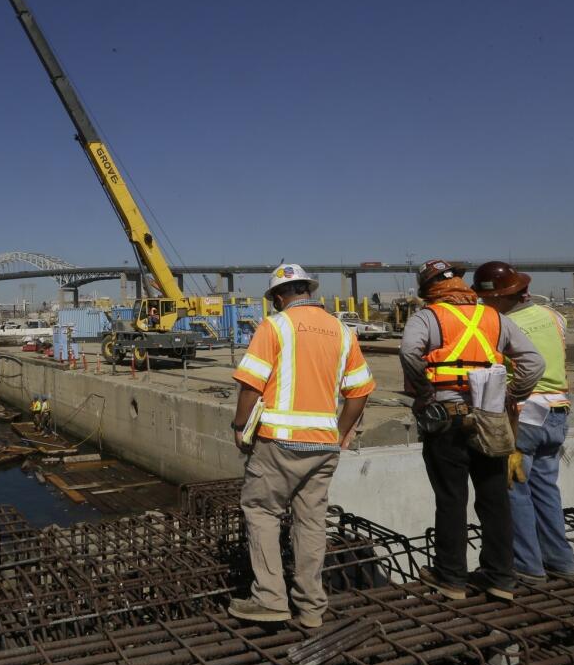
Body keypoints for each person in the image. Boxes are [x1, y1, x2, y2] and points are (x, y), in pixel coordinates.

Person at [229, 264, 375, 628]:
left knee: (261, 511)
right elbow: (359, 392)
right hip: (323, 446)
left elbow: (251, 384)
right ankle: (311, 608)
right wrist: (338, 433)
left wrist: (240, 426)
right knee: (310, 523)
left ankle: (270, 599)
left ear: (279, 297)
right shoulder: (342, 330)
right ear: (308, 291)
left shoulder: (274, 326)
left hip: (278, 442)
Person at [400, 259, 544, 601]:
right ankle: (500, 578)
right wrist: (512, 395)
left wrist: (424, 392)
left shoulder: (428, 316)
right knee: (494, 499)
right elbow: (534, 362)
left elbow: (409, 351)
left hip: (446, 417)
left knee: (451, 498)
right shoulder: (493, 317)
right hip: (490, 417)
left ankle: (451, 578)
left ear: (428, 290)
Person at [471, 261, 574, 583]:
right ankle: (561, 562)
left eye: (487, 299)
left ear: (502, 298)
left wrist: (511, 396)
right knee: (546, 490)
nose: (484, 304)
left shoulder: (501, 324)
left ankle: (527, 566)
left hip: (524, 415)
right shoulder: (555, 317)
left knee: (513, 489)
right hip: (558, 412)